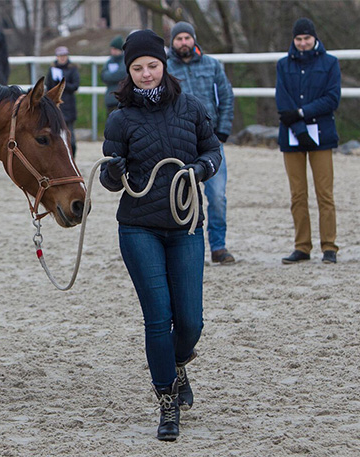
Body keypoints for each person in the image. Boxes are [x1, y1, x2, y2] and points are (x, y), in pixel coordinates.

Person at [100, 29, 222, 442]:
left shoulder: (191, 107)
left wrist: (201, 169)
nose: (146, 74)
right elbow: (108, 174)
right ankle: (167, 402)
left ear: (164, 65)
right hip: (139, 227)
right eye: (138, 68)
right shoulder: (120, 117)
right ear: (128, 72)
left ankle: (178, 363)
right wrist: (113, 173)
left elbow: (213, 152)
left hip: (186, 225)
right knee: (158, 317)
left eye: (152, 65)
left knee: (190, 321)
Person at [167, 21, 236, 265]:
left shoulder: (212, 65)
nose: (183, 42)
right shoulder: (165, 68)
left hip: (211, 143)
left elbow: (226, 97)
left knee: (217, 195)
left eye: (187, 38)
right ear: (172, 42)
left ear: (194, 39)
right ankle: (187, 248)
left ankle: (219, 246)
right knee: (182, 196)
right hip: (181, 143)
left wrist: (223, 130)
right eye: (179, 39)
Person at [276, 17, 340, 265]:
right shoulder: (283, 65)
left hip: (321, 136)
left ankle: (329, 246)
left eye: (307, 38)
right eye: (299, 39)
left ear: (314, 38)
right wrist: (299, 127)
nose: (302, 43)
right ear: (294, 39)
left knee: (325, 193)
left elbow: (332, 98)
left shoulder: (330, 63)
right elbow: (283, 100)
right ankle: (302, 245)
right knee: (297, 194)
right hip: (292, 136)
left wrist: (301, 114)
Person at [45, 46, 80, 158]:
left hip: (69, 105)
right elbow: (48, 87)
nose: (62, 58)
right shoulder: (52, 69)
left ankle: (72, 157)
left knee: (71, 137)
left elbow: (75, 86)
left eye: (64, 56)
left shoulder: (72, 69)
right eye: (60, 56)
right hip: (56, 106)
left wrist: (62, 84)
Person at [101, 35, 127, 116]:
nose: (113, 51)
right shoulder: (109, 61)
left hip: (121, 100)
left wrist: (110, 76)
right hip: (110, 99)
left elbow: (122, 74)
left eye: (115, 49)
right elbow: (103, 75)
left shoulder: (124, 61)